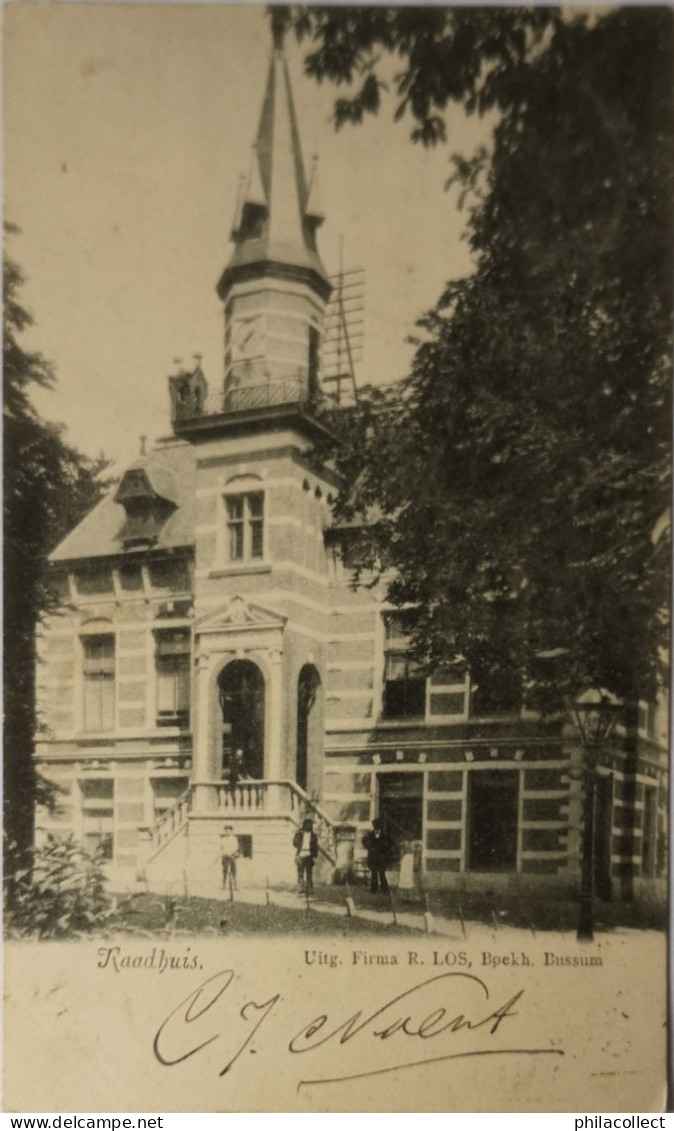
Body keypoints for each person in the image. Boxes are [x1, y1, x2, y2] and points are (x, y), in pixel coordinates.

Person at [363, 817, 394, 894]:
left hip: (381, 856)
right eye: (375, 825)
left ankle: (385, 889)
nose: (376, 827)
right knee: (374, 873)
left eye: (377, 825)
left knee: (382, 873)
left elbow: (391, 843)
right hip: (373, 856)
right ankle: (373, 889)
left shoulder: (385, 834)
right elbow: (363, 840)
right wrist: (368, 847)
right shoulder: (370, 834)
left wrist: (385, 850)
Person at [293, 818, 319, 894]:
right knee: (300, 873)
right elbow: (295, 844)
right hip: (301, 854)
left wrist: (315, 856)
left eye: (310, 824)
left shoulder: (313, 835)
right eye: (307, 824)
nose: (309, 826)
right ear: (304, 825)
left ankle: (309, 889)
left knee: (309, 873)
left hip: (309, 855)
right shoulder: (300, 834)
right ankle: (300, 888)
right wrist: (296, 836)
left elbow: (315, 846)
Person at [220, 824, 240, 895]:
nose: (227, 832)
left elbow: (236, 847)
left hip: (232, 856)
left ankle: (235, 885)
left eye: (228, 830)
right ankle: (224, 885)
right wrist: (224, 853)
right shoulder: (223, 839)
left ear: (231, 831)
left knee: (233, 870)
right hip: (225, 856)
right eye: (226, 830)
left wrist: (231, 853)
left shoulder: (234, 838)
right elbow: (222, 848)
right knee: (224, 870)